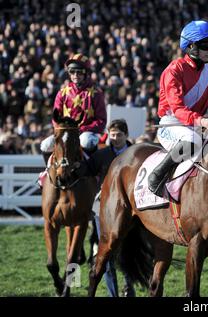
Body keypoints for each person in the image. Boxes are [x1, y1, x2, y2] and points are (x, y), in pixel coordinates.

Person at [148, 20, 208, 197]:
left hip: (197, 125)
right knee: (193, 140)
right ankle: (156, 177)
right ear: (191, 46)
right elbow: (177, 109)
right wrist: (202, 120)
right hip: (171, 124)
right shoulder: (174, 70)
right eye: (206, 45)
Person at [86, 119, 135, 297]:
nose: (115, 138)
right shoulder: (101, 155)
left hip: (132, 211)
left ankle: (129, 286)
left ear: (127, 135)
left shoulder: (136, 154)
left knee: (130, 252)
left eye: (119, 135)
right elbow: (86, 170)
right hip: (103, 209)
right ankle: (112, 294)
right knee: (106, 255)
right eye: (112, 135)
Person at [40, 53, 107, 164]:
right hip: (66, 131)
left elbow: (101, 120)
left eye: (79, 72)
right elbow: (56, 117)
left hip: (88, 132)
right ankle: (48, 173)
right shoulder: (62, 93)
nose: (75, 75)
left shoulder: (96, 93)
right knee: (45, 145)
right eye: (72, 72)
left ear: (86, 73)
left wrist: (82, 129)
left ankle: (92, 172)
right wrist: (61, 130)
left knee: (86, 141)